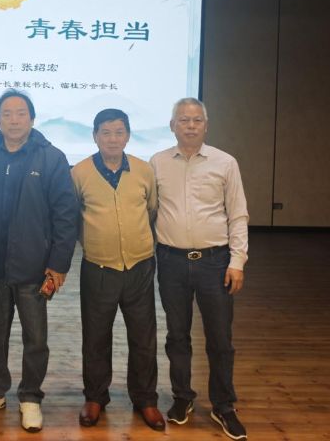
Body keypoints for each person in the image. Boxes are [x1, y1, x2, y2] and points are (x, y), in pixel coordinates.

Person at [0, 89, 78, 432]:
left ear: (32, 118)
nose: (14, 120)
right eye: (7, 114)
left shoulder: (51, 158)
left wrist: (58, 264)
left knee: (35, 337)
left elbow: (65, 215)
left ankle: (30, 396)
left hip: (34, 266)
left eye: (20, 113)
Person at [150, 98, 249, 441]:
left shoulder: (225, 162)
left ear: (206, 125)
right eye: (183, 120)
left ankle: (224, 405)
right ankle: (182, 397)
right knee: (177, 336)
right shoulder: (157, 163)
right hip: (171, 261)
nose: (190, 126)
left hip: (215, 262)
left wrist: (237, 261)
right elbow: (149, 210)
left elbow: (238, 214)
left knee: (220, 339)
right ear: (172, 125)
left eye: (196, 120)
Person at [71, 109, 165, 431]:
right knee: (96, 337)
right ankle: (95, 397)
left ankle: (146, 399)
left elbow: (151, 209)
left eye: (119, 132)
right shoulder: (80, 172)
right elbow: (74, 216)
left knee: (143, 337)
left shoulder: (143, 170)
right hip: (98, 267)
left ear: (128, 135)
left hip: (139, 266)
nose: (113, 138)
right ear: (95, 136)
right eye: (106, 132)